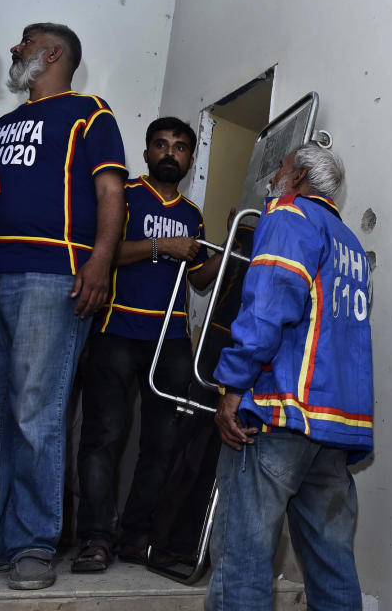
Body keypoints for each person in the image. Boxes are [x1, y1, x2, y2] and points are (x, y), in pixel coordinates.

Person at [208, 142, 373, 610]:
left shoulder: (288, 216)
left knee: (243, 557)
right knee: (332, 564)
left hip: (281, 415)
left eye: (280, 167)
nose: (274, 177)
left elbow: (268, 309)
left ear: (297, 176)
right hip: (335, 427)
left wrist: (232, 385)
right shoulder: (351, 245)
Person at [0, 23, 127, 591]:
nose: (14, 48)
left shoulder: (90, 113)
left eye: (25, 41)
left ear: (52, 54)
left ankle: (31, 543)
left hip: (53, 277)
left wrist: (98, 263)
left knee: (35, 412)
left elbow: (110, 193)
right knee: (3, 415)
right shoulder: (4, 124)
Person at [72, 117, 227, 572]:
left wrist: (223, 255)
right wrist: (161, 245)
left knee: (162, 446)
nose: (169, 153)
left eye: (180, 147)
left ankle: (137, 537)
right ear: (146, 153)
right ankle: (96, 538)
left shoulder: (193, 214)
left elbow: (196, 280)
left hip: (173, 339)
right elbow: (102, 253)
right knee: (102, 438)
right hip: (117, 330)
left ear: (190, 159)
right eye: (161, 145)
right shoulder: (125, 195)